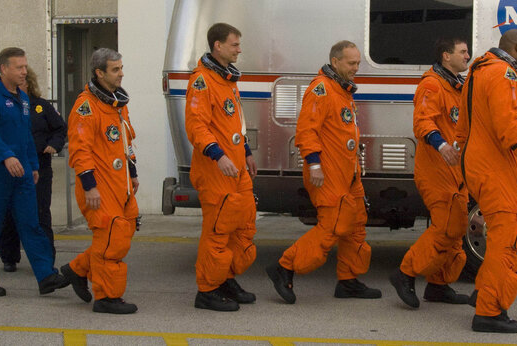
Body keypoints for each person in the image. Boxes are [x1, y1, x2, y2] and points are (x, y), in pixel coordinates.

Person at [267, 40, 381, 303]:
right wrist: (314, 164)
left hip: (348, 174)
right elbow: (307, 130)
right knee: (331, 227)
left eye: (358, 63)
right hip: (328, 173)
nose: (356, 68)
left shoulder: (341, 91)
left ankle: (348, 281)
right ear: (335, 62)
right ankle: (285, 268)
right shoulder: (321, 89)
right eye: (351, 63)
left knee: (355, 226)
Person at [457, 29, 517, 334]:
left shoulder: (477, 73)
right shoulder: (504, 75)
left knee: (502, 235)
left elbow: (463, 128)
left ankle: (484, 294)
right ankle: (489, 311)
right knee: (506, 240)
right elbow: (509, 127)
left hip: (482, 166)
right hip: (494, 169)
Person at [0, 47, 69, 297]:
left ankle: (46, 275)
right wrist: (7, 157)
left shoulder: (24, 99)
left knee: (31, 223)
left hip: (23, 173)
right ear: (4, 69)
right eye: (19, 67)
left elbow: (26, 136)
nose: (24, 71)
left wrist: (33, 166)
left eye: (25, 67)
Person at [390, 37, 472, 308]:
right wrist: (442, 145)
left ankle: (438, 285)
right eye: (462, 52)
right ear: (446, 56)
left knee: (457, 230)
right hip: (436, 168)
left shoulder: (456, 86)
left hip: (455, 171)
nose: (467, 56)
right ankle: (405, 273)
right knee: (445, 227)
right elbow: (423, 122)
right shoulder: (432, 85)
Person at [60, 48, 140, 314]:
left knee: (123, 232)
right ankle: (106, 297)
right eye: (115, 70)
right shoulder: (86, 107)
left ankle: (76, 269)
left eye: (121, 68)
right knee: (112, 236)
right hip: (98, 186)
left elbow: (125, 142)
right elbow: (79, 150)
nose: (121, 73)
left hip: (121, 185)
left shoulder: (117, 103)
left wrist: (133, 174)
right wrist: (89, 186)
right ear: (99, 73)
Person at [185, 23, 258, 312]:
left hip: (236, 167)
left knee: (241, 229)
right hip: (217, 170)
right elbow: (196, 126)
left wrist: (247, 152)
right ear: (218, 45)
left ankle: (225, 278)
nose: (239, 49)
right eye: (234, 44)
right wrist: (219, 156)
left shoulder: (226, 79)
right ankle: (207, 290)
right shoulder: (202, 81)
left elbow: (234, 124)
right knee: (217, 232)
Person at [0, 66, 67, 270]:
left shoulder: (41, 106)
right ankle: (9, 257)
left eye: (21, 82)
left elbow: (60, 128)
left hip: (39, 166)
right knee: (9, 214)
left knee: (39, 213)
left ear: (29, 84)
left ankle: (45, 260)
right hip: (10, 167)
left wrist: (54, 144)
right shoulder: (5, 105)